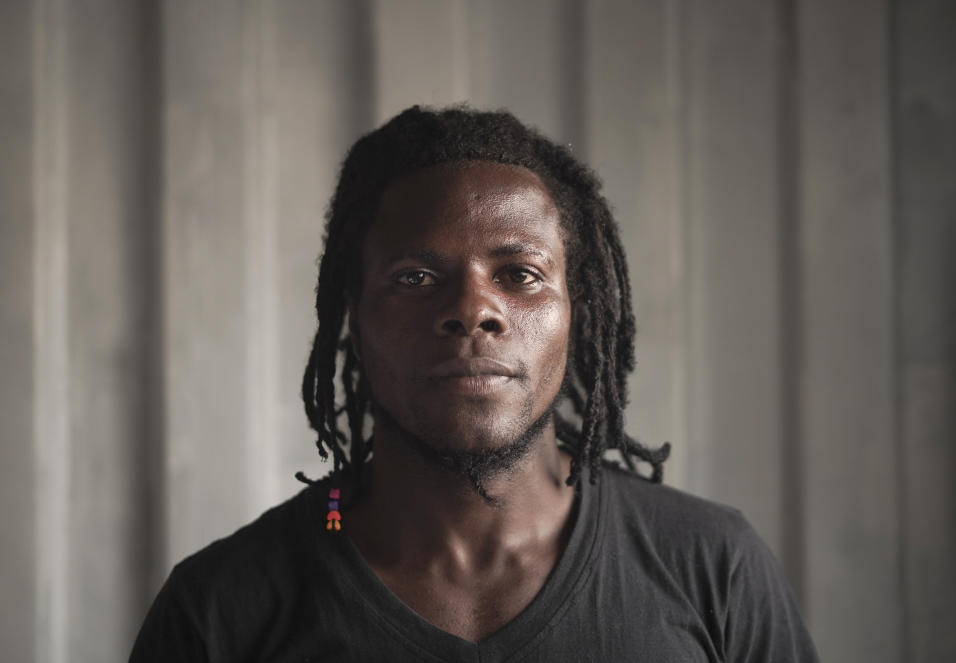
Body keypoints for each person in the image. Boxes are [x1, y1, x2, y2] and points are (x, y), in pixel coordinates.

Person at [130, 106, 819, 662]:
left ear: (576, 312)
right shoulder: (223, 607)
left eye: (519, 274)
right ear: (353, 316)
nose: (472, 309)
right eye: (414, 278)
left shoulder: (709, 565)